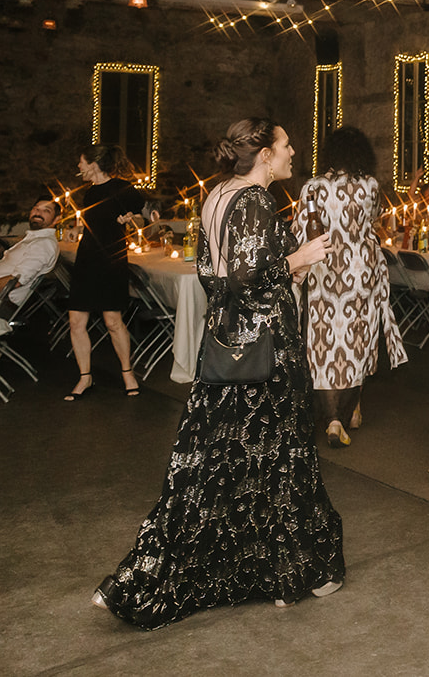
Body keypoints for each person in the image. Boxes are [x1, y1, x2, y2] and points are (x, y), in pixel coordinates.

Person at [94, 117, 339, 629]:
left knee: (214, 463)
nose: (294, 151)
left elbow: (215, 277)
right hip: (267, 354)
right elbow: (250, 280)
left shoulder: (217, 194)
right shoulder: (254, 200)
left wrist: (285, 264)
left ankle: (156, 569)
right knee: (279, 459)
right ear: (266, 156)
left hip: (227, 347)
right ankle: (287, 574)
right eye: (287, 144)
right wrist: (299, 258)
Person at [293, 127, 406, 449]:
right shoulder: (370, 186)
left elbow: (301, 230)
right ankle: (347, 414)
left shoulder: (313, 187)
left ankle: (331, 418)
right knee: (356, 346)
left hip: (325, 277)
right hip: (361, 277)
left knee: (324, 349)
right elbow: (375, 218)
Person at [63, 144, 145, 400]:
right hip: (86, 260)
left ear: (93, 163)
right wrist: (78, 230)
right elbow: (93, 223)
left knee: (112, 321)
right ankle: (85, 377)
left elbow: (143, 217)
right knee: (76, 322)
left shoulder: (122, 187)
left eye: (81, 162)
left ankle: (127, 372)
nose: (78, 167)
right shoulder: (88, 194)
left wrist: (130, 218)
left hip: (111, 261)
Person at [0, 198, 61, 311]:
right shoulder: (35, 239)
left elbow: (15, 281)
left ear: (56, 219)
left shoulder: (44, 244)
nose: (38, 213)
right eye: (36, 209)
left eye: (46, 210)